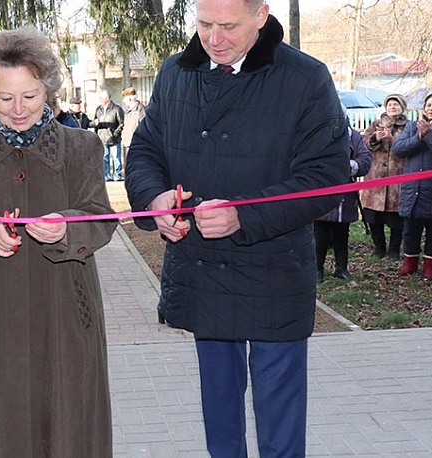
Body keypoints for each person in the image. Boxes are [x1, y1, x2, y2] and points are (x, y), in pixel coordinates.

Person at [124, 1, 349, 456]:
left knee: (279, 421)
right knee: (220, 416)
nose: (214, 38)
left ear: (261, 16)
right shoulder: (175, 73)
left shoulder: (305, 78)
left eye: (228, 26)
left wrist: (242, 215)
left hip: (273, 271)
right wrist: (155, 198)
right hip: (202, 270)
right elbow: (145, 150)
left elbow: (326, 179)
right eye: (205, 24)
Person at [0, 26, 116, 457]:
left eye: (29, 96)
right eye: (5, 97)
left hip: (68, 313)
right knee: (0, 427)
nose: (17, 109)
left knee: (73, 425)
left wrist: (67, 227)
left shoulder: (81, 147)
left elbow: (101, 218)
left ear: (48, 90)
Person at [392, 92, 432, 279]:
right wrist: (419, 137)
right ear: (423, 108)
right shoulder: (411, 127)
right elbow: (398, 149)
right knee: (410, 230)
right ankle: (410, 264)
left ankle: (431, 265)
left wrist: (430, 136)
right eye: (429, 105)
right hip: (412, 188)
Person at [315, 124, 373, 281]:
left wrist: (350, 165)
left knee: (342, 233)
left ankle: (341, 268)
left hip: (345, 192)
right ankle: (317, 269)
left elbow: (365, 159)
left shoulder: (354, 136)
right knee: (320, 233)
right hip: (323, 189)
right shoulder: (317, 133)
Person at [360, 94, 409, 260]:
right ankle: (379, 248)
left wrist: (392, 139)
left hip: (398, 178)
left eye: (396, 104)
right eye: (390, 104)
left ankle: (394, 250)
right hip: (375, 179)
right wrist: (376, 138)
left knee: (397, 218)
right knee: (374, 216)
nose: (393, 107)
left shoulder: (408, 127)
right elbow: (364, 143)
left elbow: (409, 146)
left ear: (402, 107)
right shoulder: (376, 124)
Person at [92, 89, 125, 181]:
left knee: (116, 159)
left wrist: (115, 134)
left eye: (101, 97)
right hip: (102, 138)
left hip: (113, 139)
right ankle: (106, 176)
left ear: (107, 98)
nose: (100, 99)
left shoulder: (117, 109)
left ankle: (117, 176)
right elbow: (95, 122)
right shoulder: (98, 109)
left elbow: (122, 123)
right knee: (104, 159)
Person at [120, 87, 146, 171]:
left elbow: (144, 126)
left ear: (130, 99)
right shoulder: (127, 111)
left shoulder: (140, 109)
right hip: (126, 142)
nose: (124, 101)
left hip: (136, 143)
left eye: (125, 99)